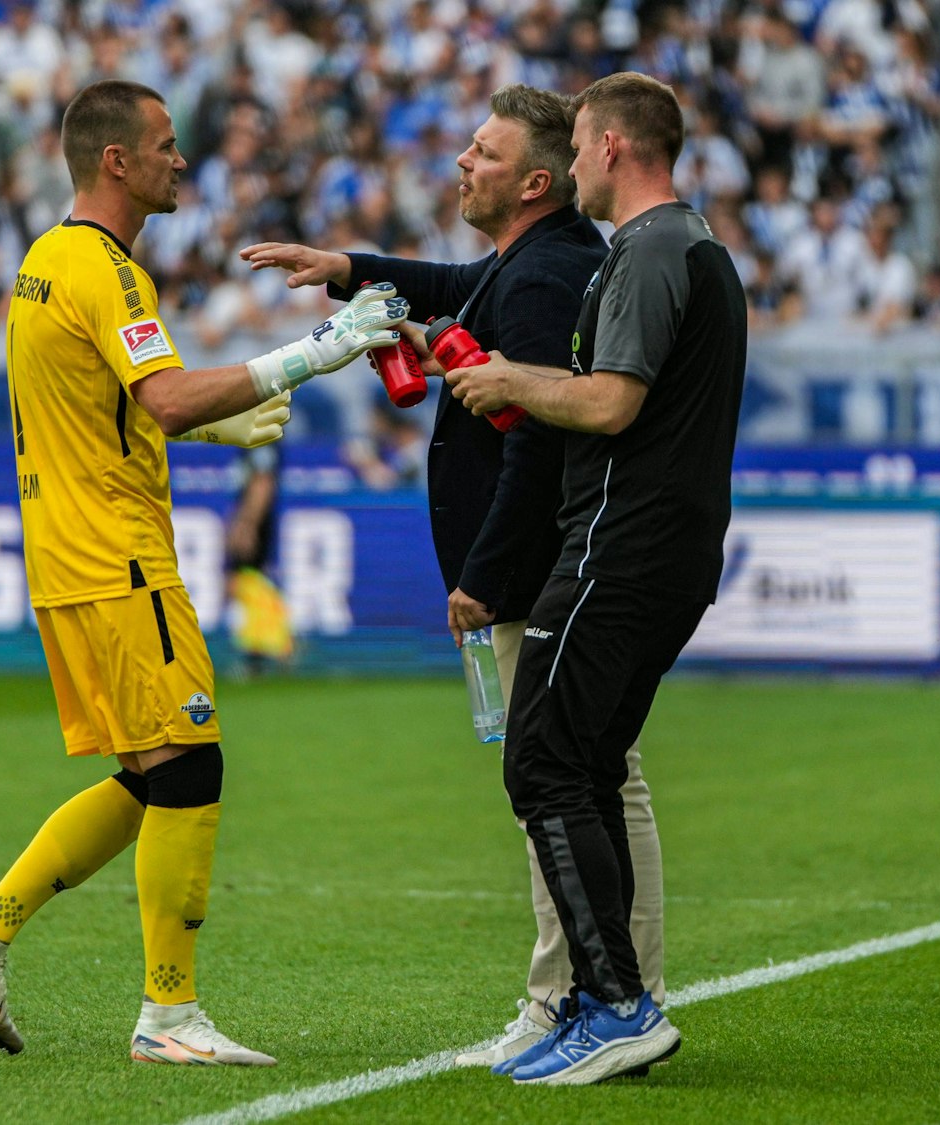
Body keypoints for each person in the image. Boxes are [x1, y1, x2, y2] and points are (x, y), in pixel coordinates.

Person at [0, 79, 407, 1067]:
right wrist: (320, 350)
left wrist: (210, 414)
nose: (180, 160)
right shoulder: (107, 270)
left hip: (68, 559)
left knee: (153, 776)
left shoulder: (44, 264)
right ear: (117, 160)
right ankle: (167, 1017)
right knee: (191, 766)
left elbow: (113, 403)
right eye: (166, 144)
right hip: (118, 559)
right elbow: (169, 400)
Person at [239, 84, 664, 1071]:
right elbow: (449, 279)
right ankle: (601, 991)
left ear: (533, 180)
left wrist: (481, 574)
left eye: (480, 152)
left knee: (564, 785)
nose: (459, 163)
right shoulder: (533, 262)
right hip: (548, 566)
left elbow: (536, 442)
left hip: (534, 572)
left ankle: (572, 996)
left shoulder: (544, 277)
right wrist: (344, 267)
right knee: (591, 778)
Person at [444, 71, 747, 1086]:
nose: (570, 162)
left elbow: (611, 405)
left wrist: (507, 378)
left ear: (612, 147)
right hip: (661, 545)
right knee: (585, 764)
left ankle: (614, 1002)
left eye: (576, 144)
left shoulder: (653, 249)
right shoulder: (685, 247)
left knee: (541, 761)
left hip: (621, 545)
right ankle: (597, 999)